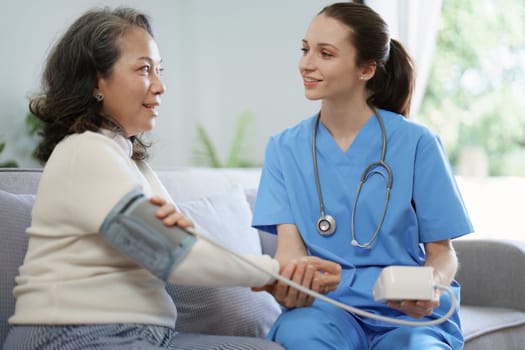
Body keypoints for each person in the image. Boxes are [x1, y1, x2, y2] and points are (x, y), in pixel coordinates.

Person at [2, 7, 342, 350]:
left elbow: (188, 246)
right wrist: (273, 271)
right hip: (76, 335)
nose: (161, 86)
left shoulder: (132, 166)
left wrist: (277, 276)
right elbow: (173, 254)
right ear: (95, 82)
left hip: (144, 335)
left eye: (159, 70)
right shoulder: (85, 153)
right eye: (144, 69)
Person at [252, 2, 474, 349]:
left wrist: (433, 284)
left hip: (404, 312)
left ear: (366, 68)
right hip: (328, 309)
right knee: (303, 336)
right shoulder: (284, 148)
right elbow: (290, 250)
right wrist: (291, 280)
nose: (306, 64)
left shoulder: (417, 144)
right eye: (305, 49)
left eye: (325, 53)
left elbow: (442, 253)